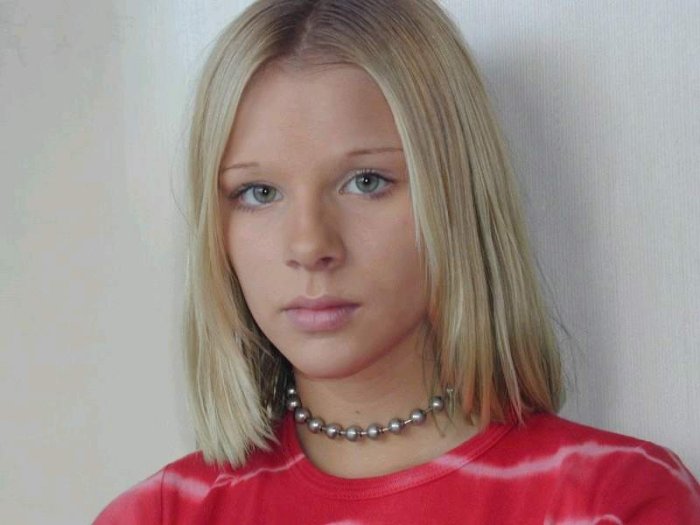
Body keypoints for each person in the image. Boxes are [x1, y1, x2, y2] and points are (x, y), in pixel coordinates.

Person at [93, 0, 700, 523]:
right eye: (258, 193)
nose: (309, 245)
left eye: (366, 181)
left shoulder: (614, 500)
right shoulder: (161, 515)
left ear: (455, 195)